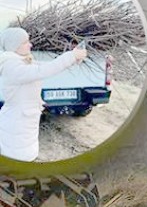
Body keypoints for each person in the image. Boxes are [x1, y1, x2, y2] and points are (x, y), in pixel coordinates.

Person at [0, 27, 87, 162]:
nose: (30, 44)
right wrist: (71, 56)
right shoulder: (12, 66)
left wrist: (73, 60)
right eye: (25, 42)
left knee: (25, 159)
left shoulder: (22, 61)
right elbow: (43, 70)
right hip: (16, 124)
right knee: (18, 163)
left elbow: (46, 65)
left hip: (24, 121)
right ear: (14, 46)